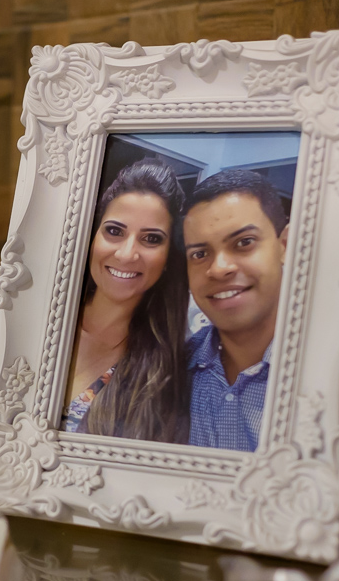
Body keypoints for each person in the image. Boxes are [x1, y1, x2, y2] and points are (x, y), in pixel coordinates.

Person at [62, 157, 189, 443]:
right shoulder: (42, 319)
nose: (126, 254)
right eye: (115, 231)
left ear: (169, 257)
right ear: (92, 236)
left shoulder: (167, 371)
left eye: (152, 239)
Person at [183, 169, 289, 452]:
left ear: (285, 245)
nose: (219, 268)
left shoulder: (321, 371)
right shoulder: (173, 372)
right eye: (199, 254)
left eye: (244, 243)